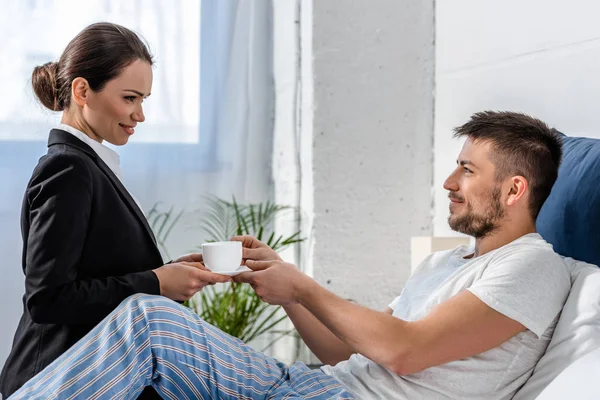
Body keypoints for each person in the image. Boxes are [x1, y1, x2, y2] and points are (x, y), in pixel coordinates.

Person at [7, 111, 570, 400]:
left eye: (467, 170)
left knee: (148, 323)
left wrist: (302, 288)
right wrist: (283, 284)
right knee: (147, 333)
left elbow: (403, 353)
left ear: (516, 190)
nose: (449, 180)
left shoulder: (533, 267)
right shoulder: (446, 263)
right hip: (316, 385)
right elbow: (339, 352)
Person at [0, 22, 231, 400]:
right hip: (57, 379)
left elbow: (96, 272)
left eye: (144, 99)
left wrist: (167, 274)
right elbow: (47, 298)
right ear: (82, 90)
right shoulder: (68, 169)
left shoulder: (89, 164)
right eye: (129, 98)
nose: (139, 114)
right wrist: (155, 283)